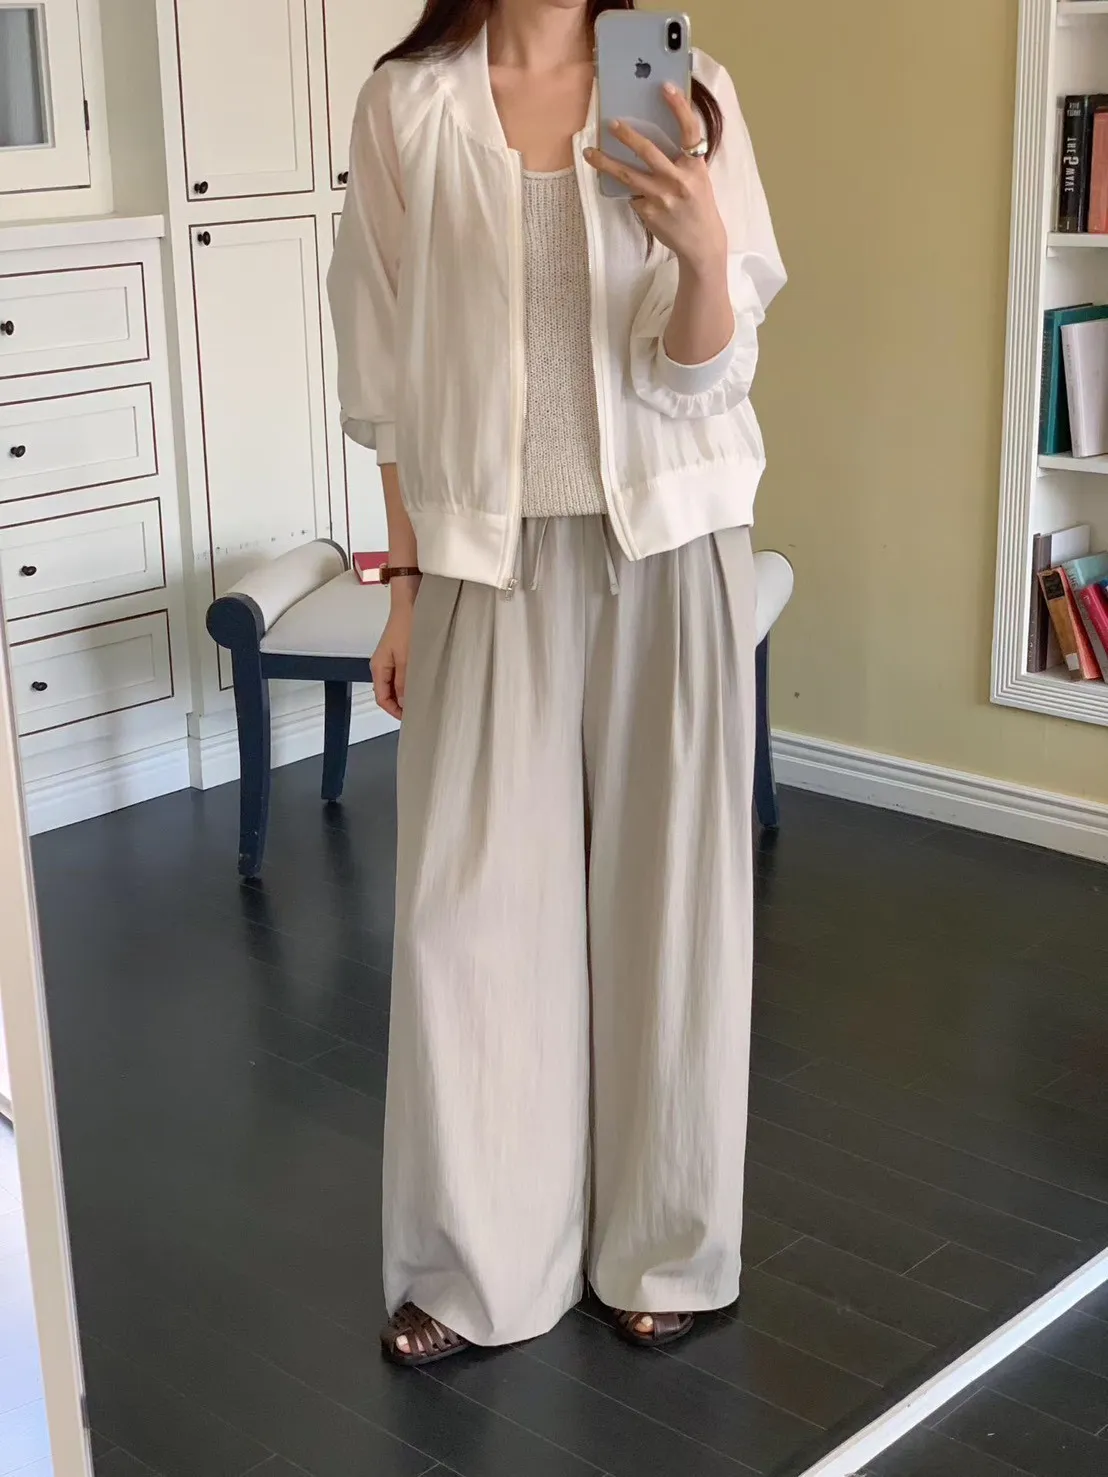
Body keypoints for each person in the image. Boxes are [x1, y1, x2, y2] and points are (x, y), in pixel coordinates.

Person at [327, 0, 785, 1366]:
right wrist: (404, 585)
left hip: (673, 547)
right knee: (466, 918)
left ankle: (668, 1246)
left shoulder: (687, 84)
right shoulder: (407, 102)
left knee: (673, 905)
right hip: (483, 555)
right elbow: (384, 372)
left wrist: (702, 252)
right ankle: (478, 1265)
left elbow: (713, 371)